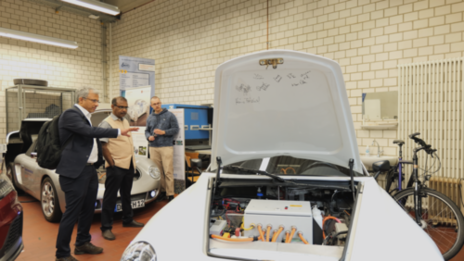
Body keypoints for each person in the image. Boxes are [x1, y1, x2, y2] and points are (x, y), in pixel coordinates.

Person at [55, 88, 138, 261]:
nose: (96, 104)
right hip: (75, 172)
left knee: (88, 209)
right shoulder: (71, 114)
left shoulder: (86, 116)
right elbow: (89, 133)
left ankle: (82, 243)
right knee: (72, 213)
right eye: (93, 100)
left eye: (97, 101)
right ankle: (62, 254)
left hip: (89, 170)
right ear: (81, 99)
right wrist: (117, 132)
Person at [98, 96, 144, 241]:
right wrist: (112, 164)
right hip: (116, 166)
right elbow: (103, 146)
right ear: (113, 107)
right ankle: (106, 228)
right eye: (121, 107)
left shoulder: (125, 120)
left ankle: (128, 219)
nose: (124, 110)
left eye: (126, 107)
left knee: (126, 194)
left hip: (129, 164)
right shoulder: (106, 124)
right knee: (110, 198)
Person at [145, 96, 179, 202]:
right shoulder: (149, 117)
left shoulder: (170, 115)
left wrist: (163, 132)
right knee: (158, 172)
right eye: (154, 104)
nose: (157, 105)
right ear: (151, 106)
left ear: (161, 103)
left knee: (168, 171)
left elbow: (175, 129)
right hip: (153, 147)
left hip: (166, 147)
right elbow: (146, 131)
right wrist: (148, 137)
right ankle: (162, 192)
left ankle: (170, 194)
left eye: (158, 103)